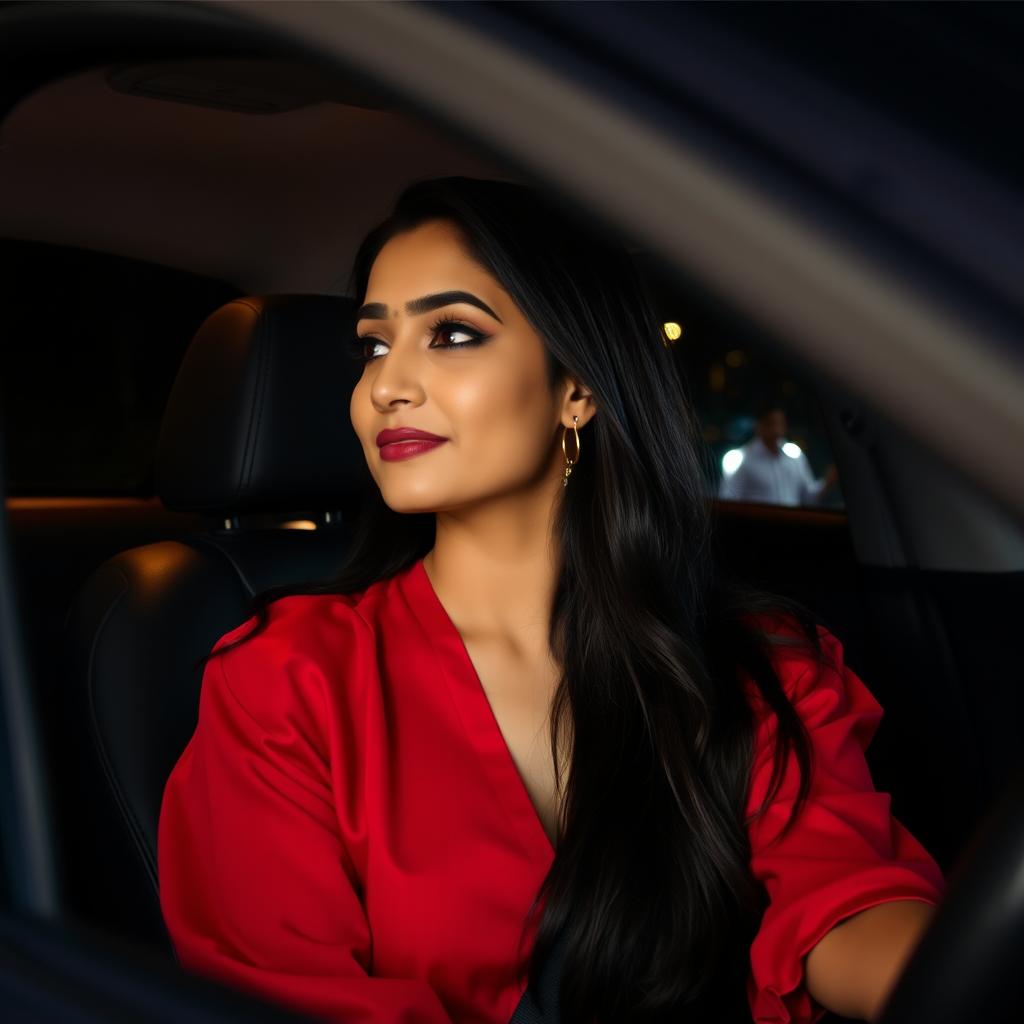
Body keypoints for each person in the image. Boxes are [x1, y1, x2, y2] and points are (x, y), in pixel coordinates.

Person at [157, 177, 944, 1024]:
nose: (387, 386)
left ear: (578, 387)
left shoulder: (758, 661)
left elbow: (849, 902)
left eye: (451, 334)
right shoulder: (287, 685)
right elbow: (284, 995)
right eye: (374, 347)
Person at [719, 404, 839, 507]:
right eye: (770, 424)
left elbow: (808, 497)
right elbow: (728, 499)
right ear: (759, 426)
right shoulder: (740, 459)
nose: (776, 430)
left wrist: (827, 482)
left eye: (780, 424)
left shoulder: (795, 455)